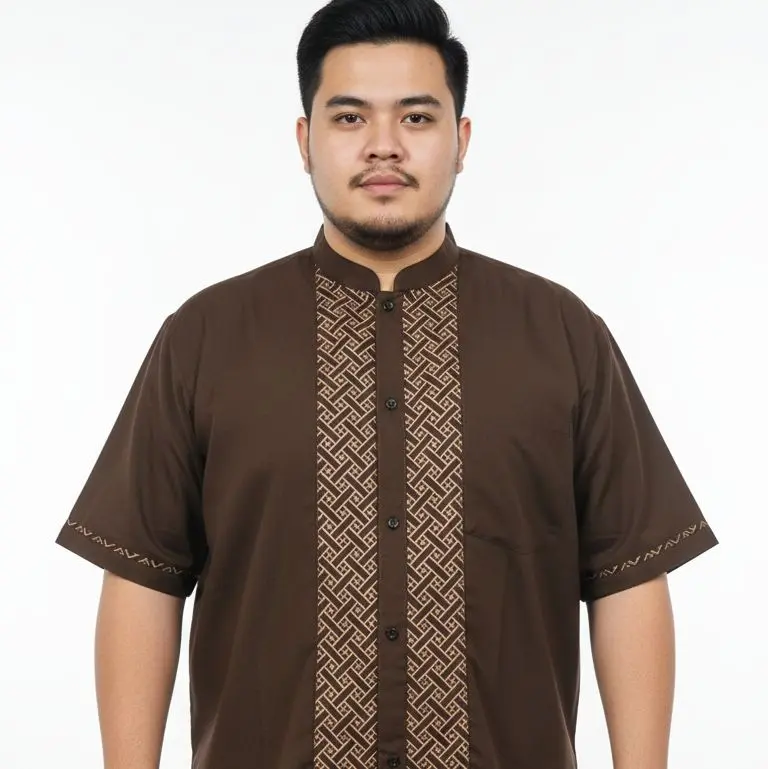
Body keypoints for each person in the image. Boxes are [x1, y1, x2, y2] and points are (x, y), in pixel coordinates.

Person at [55, 1, 718, 767]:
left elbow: (627, 573)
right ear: (303, 141)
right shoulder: (205, 336)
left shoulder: (562, 333)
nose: (383, 145)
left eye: (416, 117)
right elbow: (144, 573)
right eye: (349, 118)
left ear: (461, 141)